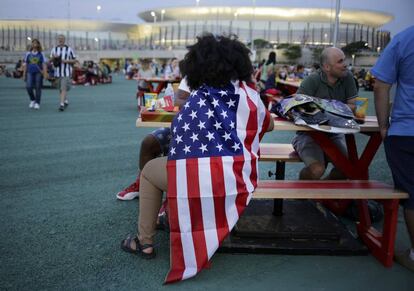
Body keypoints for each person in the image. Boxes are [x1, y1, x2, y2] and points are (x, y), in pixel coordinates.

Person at [120, 34, 274, 283]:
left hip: (197, 182)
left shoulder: (196, 99)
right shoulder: (250, 98)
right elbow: (270, 125)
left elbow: (178, 143)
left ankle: (144, 242)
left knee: (149, 169)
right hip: (236, 182)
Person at [372, 25, 414, 272]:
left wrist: (383, 125)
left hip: (406, 131)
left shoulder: (403, 40)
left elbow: (380, 85)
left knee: (411, 194)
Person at [116, 77, 191, 200]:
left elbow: (181, 100)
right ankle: (140, 184)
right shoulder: (191, 74)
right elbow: (177, 99)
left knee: (176, 146)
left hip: (205, 132)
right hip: (181, 125)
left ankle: (171, 199)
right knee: (149, 142)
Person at [293, 47, 358, 180]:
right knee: (317, 170)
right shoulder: (312, 80)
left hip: (335, 133)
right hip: (308, 134)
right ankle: (301, 191)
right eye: (340, 61)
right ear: (327, 67)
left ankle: (325, 197)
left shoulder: (347, 77)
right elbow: (296, 106)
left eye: (344, 60)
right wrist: (337, 108)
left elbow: (354, 107)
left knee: (349, 168)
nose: (345, 64)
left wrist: (324, 107)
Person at [50, 34, 76, 111]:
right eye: (59, 39)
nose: (60, 40)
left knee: (63, 87)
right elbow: (50, 60)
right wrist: (54, 58)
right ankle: (65, 100)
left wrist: (65, 61)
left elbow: (74, 60)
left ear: (64, 40)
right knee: (60, 88)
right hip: (57, 72)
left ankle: (61, 104)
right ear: (58, 40)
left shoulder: (69, 49)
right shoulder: (54, 49)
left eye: (62, 39)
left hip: (66, 72)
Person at [22, 39, 48, 110]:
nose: (35, 45)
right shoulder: (28, 54)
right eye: (33, 43)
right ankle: (32, 99)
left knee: (38, 87)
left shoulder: (41, 54)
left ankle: (37, 103)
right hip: (29, 72)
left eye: (36, 43)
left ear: (38, 45)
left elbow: (44, 64)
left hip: (38, 73)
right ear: (31, 45)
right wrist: (24, 74)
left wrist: (45, 74)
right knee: (28, 86)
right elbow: (26, 64)